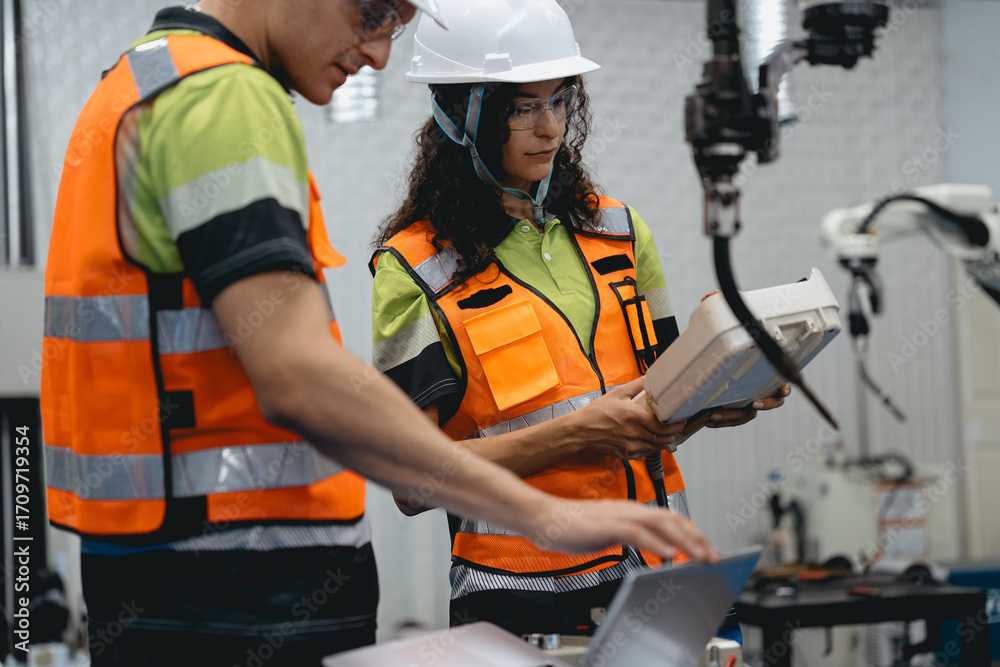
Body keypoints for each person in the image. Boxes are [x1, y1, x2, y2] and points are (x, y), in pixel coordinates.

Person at [40, 1, 719, 665]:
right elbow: (299, 374)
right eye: (370, 11)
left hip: (174, 571)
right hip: (237, 584)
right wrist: (544, 513)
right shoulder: (222, 97)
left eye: (397, 25)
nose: (379, 53)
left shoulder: (140, 81)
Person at [371, 0, 789, 640]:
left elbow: (659, 409)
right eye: (521, 107)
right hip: (520, 603)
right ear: (459, 117)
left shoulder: (618, 230)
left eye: (560, 101)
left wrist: (725, 390)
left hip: (658, 571)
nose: (549, 128)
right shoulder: (416, 267)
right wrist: (579, 434)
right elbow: (411, 485)